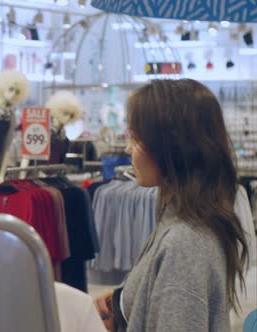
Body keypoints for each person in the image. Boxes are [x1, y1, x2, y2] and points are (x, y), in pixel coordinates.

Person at [94, 79, 249, 331]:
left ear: (169, 147)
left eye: (135, 138)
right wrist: (122, 302)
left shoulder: (185, 244)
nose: (127, 148)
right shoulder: (184, 216)